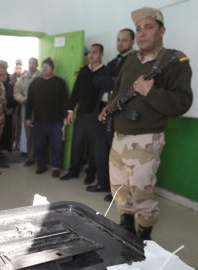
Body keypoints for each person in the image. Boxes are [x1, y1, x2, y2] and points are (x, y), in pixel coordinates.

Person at [99, 7, 192, 240]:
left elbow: (182, 102)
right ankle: (126, 227)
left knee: (142, 194)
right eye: (138, 29)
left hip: (146, 139)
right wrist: (108, 108)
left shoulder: (173, 61)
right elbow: (118, 91)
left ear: (162, 31)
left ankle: (144, 238)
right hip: (119, 136)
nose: (141, 34)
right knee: (119, 189)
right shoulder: (131, 60)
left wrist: (151, 92)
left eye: (148, 27)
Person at [86, 29, 135, 203]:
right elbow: (96, 81)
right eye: (118, 40)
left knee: (117, 155)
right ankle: (103, 183)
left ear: (132, 42)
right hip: (102, 111)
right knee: (101, 150)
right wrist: (111, 80)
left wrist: (109, 80)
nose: (120, 43)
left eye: (124, 40)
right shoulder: (114, 62)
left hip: (118, 114)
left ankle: (118, 191)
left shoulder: (134, 61)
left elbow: (125, 85)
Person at [60, 44, 106, 184]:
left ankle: (91, 172)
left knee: (93, 146)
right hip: (81, 115)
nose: (91, 55)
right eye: (90, 53)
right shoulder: (83, 71)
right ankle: (73, 170)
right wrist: (70, 111)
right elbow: (75, 92)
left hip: (96, 116)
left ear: (101, 54)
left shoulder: (106, 71)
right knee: (77, 144)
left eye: (95, 52)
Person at [25, 57, 68, 178]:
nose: (44, 68)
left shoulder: (60, 82)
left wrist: (65, 117)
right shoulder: (34, 83)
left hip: (56, 121)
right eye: (43, 66)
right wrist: (28, 117)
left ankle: (56, 167)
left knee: (57, 145)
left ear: (52, 69)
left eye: (47, 67)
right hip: (39, 121)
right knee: (39, 145)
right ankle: (41, 165)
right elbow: (30, 102)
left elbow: (65, 101)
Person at [14, 58, 41, 167]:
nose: (31, 65)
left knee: (40, 134)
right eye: (29, 63)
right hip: (26, 109)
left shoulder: (41, 76)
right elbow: (16, 92)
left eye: (33, 63)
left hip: (40, 110)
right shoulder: (23, 78)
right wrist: (22, 99)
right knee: (29, 134)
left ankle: (41, 158)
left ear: (37, 64)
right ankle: (31, 158)